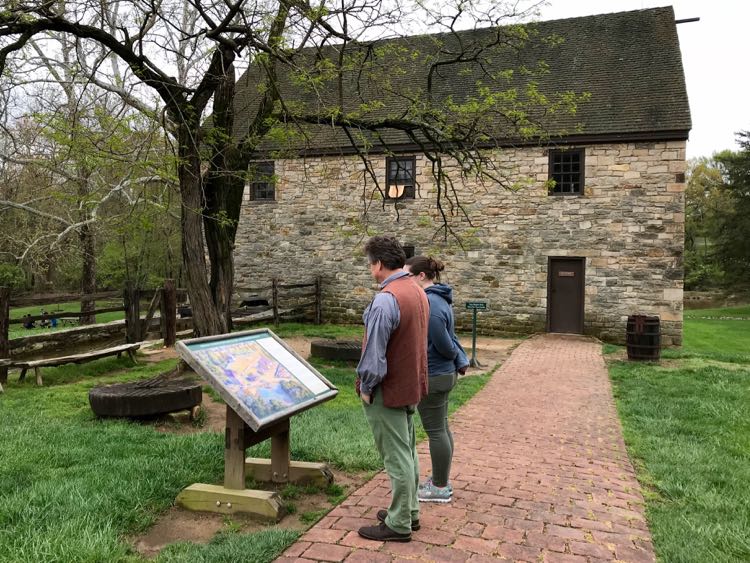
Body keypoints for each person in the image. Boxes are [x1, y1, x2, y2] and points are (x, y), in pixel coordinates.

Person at [356, 235, 430, 543]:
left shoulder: (387, 298)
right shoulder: (417, 290)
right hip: (411, 383)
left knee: (396, 455)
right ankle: (408, 512)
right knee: (408, 449)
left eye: (370, 263)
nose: (370, 269)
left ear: (378, 264)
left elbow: (375, 352)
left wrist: (367, 386)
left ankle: (399, 522)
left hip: (388, 389)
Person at [404, 255, 469, 503]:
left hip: (434, 374)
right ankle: (441, 481)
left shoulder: (430, 304)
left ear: (421, 276)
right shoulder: (440, 298)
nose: (405, 280)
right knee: (441, 428)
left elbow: (442, 343)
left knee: (435, 431)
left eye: (408, 275)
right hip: (442, 374)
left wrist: (452, 355)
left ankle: (440, 487)